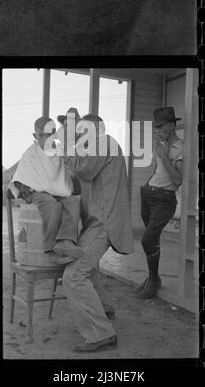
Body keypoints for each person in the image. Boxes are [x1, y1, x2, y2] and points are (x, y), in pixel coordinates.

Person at [58, 112, 134, 352]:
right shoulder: (96, 149)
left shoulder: (105, 142)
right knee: (88, 270)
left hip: (105, 222)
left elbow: (83, 170)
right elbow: (79, 178)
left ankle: (101, 333)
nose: (81, 135)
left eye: (84, 131)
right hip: (98, 221)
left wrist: (68, 146)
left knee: (74, 276)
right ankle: (106, 308)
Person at [9, 116, 83, 261]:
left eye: (49, 134)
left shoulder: (60, 151)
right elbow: (23, 179)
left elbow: (66, 174)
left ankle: (66, 241)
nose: (45, 138)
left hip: (58, 191)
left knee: (73, 202)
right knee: (51, 205)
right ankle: (52, 249)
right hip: (35, 192)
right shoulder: (30, 154)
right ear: (35, 135)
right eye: (41, 135)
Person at [135, 107, 184, 299]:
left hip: (165, 200)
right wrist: (146, 186)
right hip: (149, 194)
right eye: (155, 127)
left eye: (160, 126)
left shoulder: (180, 147)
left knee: (147, 239)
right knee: (152, 240)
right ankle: (152, 279)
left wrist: (164, 156)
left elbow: (178, 180)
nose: (156, 130)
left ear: (171, 125)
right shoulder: (161, 145)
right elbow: (157, 170)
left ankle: (154, 280)